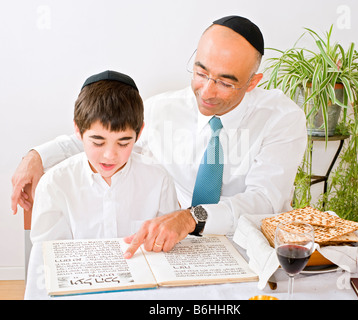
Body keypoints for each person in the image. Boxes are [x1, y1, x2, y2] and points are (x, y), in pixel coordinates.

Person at [12, 16, 307, 257]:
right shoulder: (163, 109)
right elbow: (105, 136)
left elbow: (265, 200)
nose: (206, 92)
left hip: (250, 247)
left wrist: (193, 217)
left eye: (225, 83)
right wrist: (37, 156)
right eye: (201, 73)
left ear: (253, 82)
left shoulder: (281, 119)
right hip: (178, 249)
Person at [29, 70, 179, 244]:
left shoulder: (159, 180)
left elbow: (167, 249)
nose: (109, 156)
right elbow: (46, 259)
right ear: (78, 130)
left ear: (139, 134)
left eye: (123, 143)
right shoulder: (54, 185)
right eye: (98, 142)